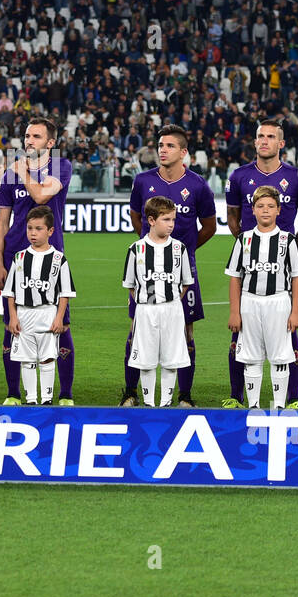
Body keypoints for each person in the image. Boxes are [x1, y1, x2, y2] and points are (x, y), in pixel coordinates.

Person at [122, 124, 217, 407]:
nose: (162, 150)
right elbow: (137, 217)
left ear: (184, 152)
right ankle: (130, 393)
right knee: (137, 329)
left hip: (182, 271)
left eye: (170, 146)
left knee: (186, 331)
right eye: (160, 145)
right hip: (147, 272)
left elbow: (209, 226)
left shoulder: (198, 185)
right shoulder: (142, 181)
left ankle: (184, 396)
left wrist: (179, 253)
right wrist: (155, 249)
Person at [223, 119, 298, 406]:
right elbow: (233, 217)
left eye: (270, 136)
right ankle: (237, 397)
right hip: (251, 270)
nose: (264, 141)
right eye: (260, 136)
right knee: (240, 337)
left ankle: (292, 398)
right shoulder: (238, 176)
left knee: (289, 332)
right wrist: (251, 247)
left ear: (281, 143)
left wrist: (285, 252)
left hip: (281, 275)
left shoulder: (297, 177)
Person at [0, 117, 74, 404]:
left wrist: (23, 171)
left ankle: (64, 394)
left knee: (60, 323)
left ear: (50, 143)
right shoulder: (10, 174)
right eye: (27, 136)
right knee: (12, 323)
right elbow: (3, 221)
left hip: (52, 258)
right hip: (16, 257)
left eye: (36, 137)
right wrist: (0, 262)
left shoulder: (61, 167)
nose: (29, 141)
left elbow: (40, 196)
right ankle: (14, 394)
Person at [225, 187, 298, 409]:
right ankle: (254, 406)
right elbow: (235, 278)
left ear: (279, 210)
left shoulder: (287, 240)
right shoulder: (244, 240)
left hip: (279, 302)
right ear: (252, 210)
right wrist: (234, 311)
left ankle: (279, 406)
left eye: (271, 206)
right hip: (249, 302)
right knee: (251, 356)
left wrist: (296, 311)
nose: (266, 211)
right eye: (260, 206)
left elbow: (297, 278)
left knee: (280, 356)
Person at [123, 196, 194, 408]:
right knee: (145, 359)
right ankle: (149, 404)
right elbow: (130, 285)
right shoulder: (136, 249)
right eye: (166, 219)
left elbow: (185, 283)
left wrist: (168, 301)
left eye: (173, 219)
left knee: (172, 359)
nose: (171, 224)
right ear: (151, 220)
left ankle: (165, 403)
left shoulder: (179, 248)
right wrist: (148, 303)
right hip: (145, 311)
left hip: (172, 310)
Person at [2, 205, 76, 405]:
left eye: (38, 229)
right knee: (26, 359)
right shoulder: (20, 257)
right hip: (24, 314)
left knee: (47, 358)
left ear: (50, 231)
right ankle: (31, 400)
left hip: (47, 313)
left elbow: (65, 293)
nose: (33, 233)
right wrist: (13, 316)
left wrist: (59, 317)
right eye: (30, 228)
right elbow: (10, 291)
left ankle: (47, 399)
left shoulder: (59, 259)